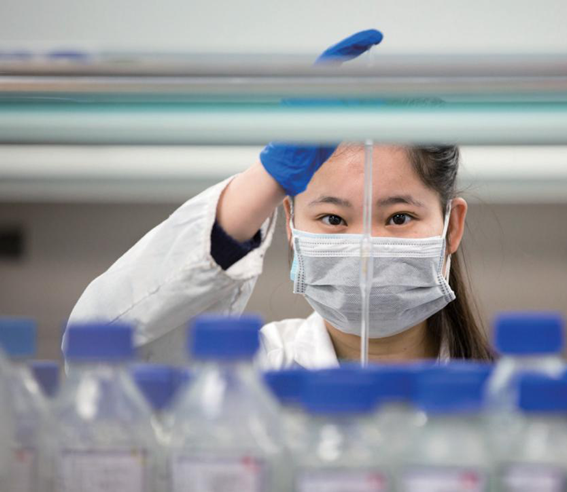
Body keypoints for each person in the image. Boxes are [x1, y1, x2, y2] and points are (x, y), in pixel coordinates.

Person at [64, 30, 493, 369]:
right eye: (333, 219)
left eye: (398, 218)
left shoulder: (507, 393)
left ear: (451, 226)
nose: (365, 250)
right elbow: (95, 351)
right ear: (290, 223)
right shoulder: (248, 376)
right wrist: (266, 179)